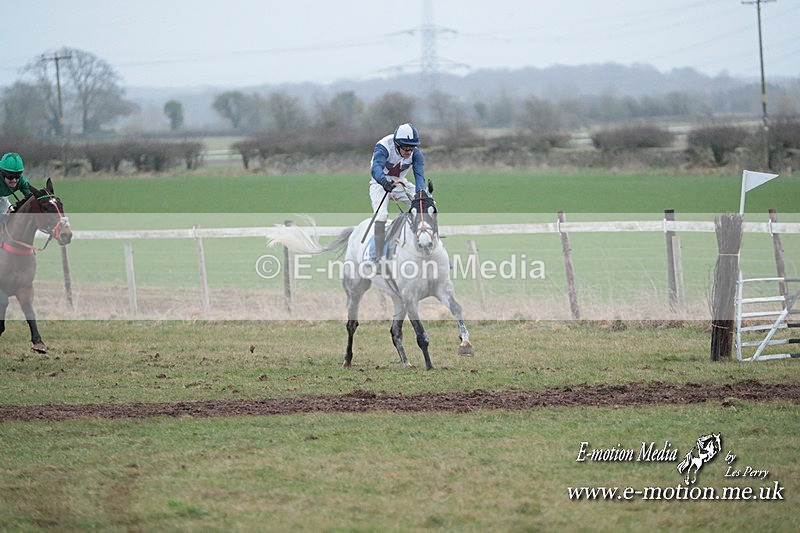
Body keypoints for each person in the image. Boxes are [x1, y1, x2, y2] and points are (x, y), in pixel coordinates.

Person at [368, 122, 426, 262]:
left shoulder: (416, 154)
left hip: (400, 182)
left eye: (412, 147)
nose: (409, 151)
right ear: (397, 144)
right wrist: (383, 181)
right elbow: (376, 168)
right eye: (406, 147)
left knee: (427, 203)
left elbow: (419, 177)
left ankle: (429, 244)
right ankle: (375, 256)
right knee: (381, 215)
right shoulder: (383, 147)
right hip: (379, 182)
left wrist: (421, 193)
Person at [0, 152, 32, 221]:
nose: (14, 180)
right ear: (2, 173)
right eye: (10, 176)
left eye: (17, 176)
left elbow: (31, 197)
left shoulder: (22, 182)